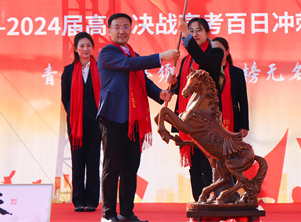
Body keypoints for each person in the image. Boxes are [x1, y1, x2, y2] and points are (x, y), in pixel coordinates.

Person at [97, 13, 180, 222]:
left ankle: (126, 212)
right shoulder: (107, 53)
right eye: (117, 27)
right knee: (112, 167)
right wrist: (161, 57)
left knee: (130, 167)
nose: (122, 31)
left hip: (133, 121)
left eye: (126, 26)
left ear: (131, 29)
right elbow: (129, 65)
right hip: (113, 117)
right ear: (109, 30)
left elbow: (144, 81)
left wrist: (160, 94)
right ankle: (108, 214)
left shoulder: (133, 55)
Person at [167, 17, 224, 202]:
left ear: (207, 33)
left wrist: (185, 34)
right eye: (191, 30)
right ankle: (199, 200)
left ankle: (211, 199)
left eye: (199, 30)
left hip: (207, 119)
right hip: (188, 118)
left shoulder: (215, 53)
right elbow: (184, 88)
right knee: (194, 165)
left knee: (208, 162)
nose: (195, 34)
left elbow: (203, 59)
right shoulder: (186, 60)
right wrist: (173, 84)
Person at [60, 32, 101, 212]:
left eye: (88, 46)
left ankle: (91, 200)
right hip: (75, 124)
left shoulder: (100, 69)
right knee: (77, 162)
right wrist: (74, 114)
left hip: (96, 123)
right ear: (76, 49)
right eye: (81, 46)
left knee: (93, 161)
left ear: (93, 48)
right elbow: (65, 98)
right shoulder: (69, 71)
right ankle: (78, 200)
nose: (85, 49)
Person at [211, 37, 249, 137]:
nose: (217, 53)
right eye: (213, 50)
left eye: (219, 49)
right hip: (211, 120)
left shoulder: (237, 73)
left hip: (233, 119)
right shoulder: (207, 73)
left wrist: (244, 126)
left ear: (227, 51)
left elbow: (243, 101)